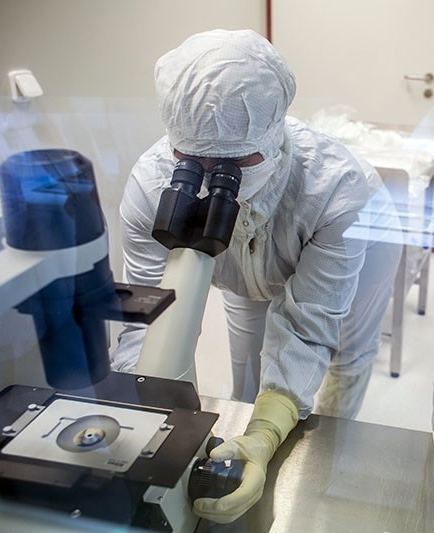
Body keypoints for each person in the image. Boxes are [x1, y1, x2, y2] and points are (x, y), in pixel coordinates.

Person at [109, 29, 401, 523]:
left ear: (274, 132)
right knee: (248, 368)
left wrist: (268, 436)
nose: (213, 174)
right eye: (194, 160)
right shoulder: (150, 184)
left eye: (235, 160)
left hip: (367, 244)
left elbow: (308, 326)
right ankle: (245, 452)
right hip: (245, 265)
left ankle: (318, 472)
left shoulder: (336, 188)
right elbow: (148, 316)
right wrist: (148, 417)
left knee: (343, 358)